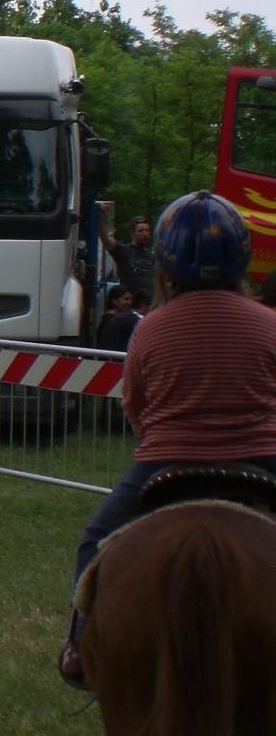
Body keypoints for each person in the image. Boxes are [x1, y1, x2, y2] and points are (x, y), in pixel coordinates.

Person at [59, 190, 276, 689]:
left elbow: (136, 407)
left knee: (94, 541)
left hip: (166, 466)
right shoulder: (267, 323)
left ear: (165, 260)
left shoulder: (150, 329)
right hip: (263, 463)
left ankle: (79, 642)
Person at [101, 210, 156, 299]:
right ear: (132, 233)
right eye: (141, 231)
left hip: (150, 304)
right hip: (131, 303)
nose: (145, 234)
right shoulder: (123, 251)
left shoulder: (152, 256)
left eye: (147, 231)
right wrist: (101, 216)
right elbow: (105, 238)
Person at [93, 284, 141, 353]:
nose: (129, 302)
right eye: (126, 299)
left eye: (131, 299)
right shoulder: (109, 320)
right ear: (114, 301)